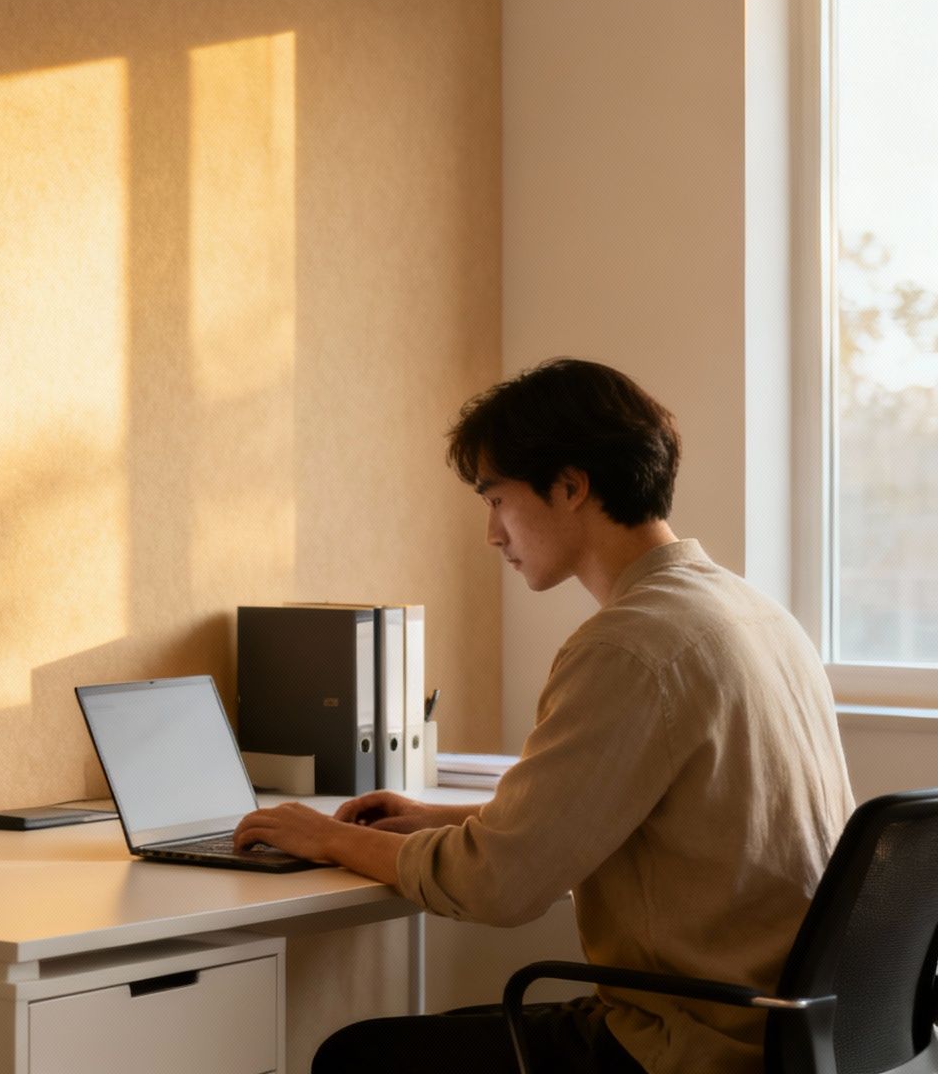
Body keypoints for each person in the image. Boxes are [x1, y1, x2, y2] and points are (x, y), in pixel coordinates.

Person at [234, 358, 854, 1074]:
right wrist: (444, 820)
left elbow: (495, 885)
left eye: (496, 499)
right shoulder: (752, 612)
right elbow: (660, 819)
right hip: (794, 1028)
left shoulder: (629, 645)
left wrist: (326, 838)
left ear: (570, 485)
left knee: (359, 1056)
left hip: (693, 1041)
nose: (492, 534)